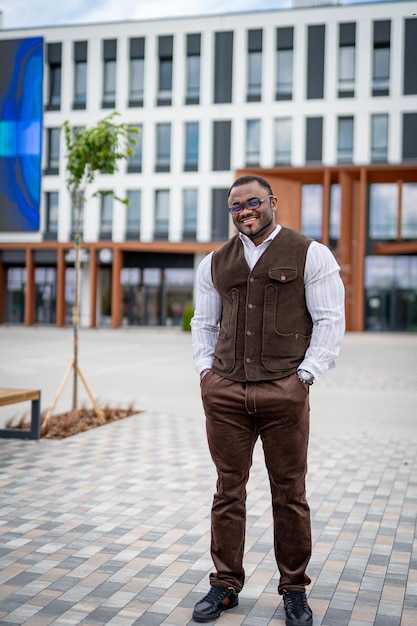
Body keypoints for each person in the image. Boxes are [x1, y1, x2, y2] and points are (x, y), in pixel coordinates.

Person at [190, 175, 345, 625]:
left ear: (272, 202)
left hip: (284, 392)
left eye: (252, 202)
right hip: (226, 393)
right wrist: (206, 374)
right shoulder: (215, 263)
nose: (244, 211)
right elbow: (204, 323)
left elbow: (330, 320)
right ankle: (224, 586)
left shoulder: (310, 253)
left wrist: (305, 376)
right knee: (227, 492)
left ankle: (294, 590)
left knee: (290, 494)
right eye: (235, 206)